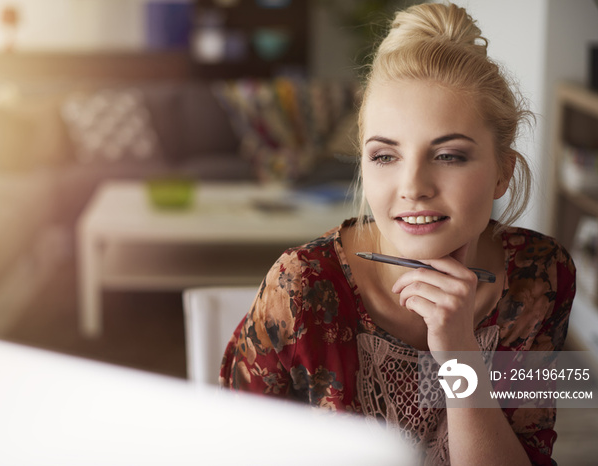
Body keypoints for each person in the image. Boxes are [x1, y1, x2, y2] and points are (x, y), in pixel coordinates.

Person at [220, 3, 575, 465]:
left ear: (502, 173)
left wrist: (460, 355)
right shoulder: (301, 287)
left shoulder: (542, 279)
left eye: (449, 156)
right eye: (385, 156)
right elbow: (230, 447)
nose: (413, 188)